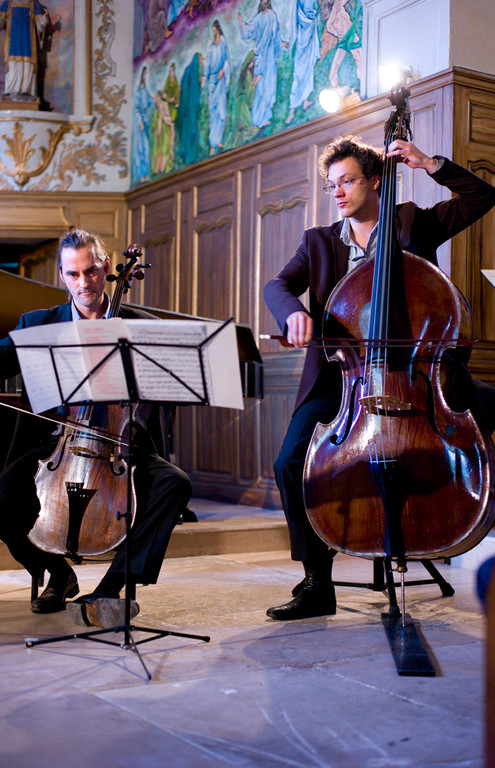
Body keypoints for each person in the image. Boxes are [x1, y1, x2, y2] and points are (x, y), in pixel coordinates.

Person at [263, 134, 495, 621]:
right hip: (342, 381)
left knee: (487, 412)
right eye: (333, 185)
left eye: (348, 181)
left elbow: (481, 197)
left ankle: (458, 515)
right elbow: (278, 285)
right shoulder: (320, 242)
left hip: (418, 374)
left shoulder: (412, 222)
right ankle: (315, 581)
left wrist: (431, 164)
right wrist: (292, 316)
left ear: (374, 180)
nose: (340, 192)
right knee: (289, 462)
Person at [0, 229, 192, 629]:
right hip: (56, 444)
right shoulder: (40, 324)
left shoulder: (140, 324)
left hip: (119, 446)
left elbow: (171, 386)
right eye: (73, 274)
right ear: (62, 275)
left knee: (175, 485)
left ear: (108, 268)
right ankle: (57, 573)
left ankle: (109, 590)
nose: (84, 283)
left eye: (92, 271)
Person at [238, 0, 287, 129]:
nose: (264, 2)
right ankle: (258, 118)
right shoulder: (258, 18)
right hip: (262, 57)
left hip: (270, 57)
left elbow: (275, 34)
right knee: (261, 88)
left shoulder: (272, 15)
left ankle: (266, 116)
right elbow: (249, 31)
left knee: (270, 87)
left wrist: (280, 43)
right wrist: (242, 24)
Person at [0, 0, 49, 101]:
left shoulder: (34, 4)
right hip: (13, 42)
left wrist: (43, 22)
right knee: (13, 64)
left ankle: (27, 91)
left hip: (28, 42)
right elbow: (1, 21)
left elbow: (40, 28)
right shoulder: (8, 3)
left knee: (27, 65)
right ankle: (11, 91)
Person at [286, 0, 320, 124]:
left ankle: (305, 101)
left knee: (308, 70)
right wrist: (310, 20)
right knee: (299, 74)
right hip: (303, 38)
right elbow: (301, 15)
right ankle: (292, 109)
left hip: (309, 36)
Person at [201, 19, 230, 156]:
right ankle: (213, 142)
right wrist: (204, 78)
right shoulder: (211, 47)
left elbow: (226, 60)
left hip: (221, 80)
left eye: (214, 30)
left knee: (221, 112)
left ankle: (219, 139)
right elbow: (206, 64)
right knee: (213, 113)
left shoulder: (223, 42)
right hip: (213, 81)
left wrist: (223, 70)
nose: (213, 33)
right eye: (211, 31)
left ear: (218, 30)